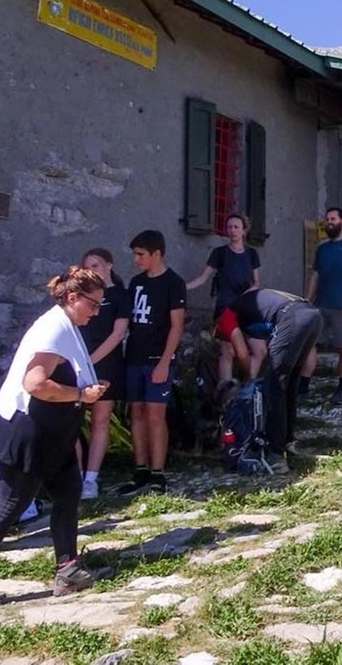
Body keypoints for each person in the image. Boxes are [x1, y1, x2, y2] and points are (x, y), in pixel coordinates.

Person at [0, 268, 109, 607]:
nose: (96, 312)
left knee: (68, 491)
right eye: (93, 305)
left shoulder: (66, 325)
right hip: (27, 430)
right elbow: (35, 384)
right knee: (10, 504)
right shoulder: (53, 330)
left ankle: (68, 568)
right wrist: (81, 394)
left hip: (51, 433)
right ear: (73, 298)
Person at [220, 286, 322, 473]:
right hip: (312, 315)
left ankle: (275, 454)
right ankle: (288, 442)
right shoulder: (254, 304)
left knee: (274, 386)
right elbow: (264, 349)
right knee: (289, 384)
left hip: (292, 318)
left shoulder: (226, 316)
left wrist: (248, 381)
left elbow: (242, 353)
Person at [120, 230, 186, 496]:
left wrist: (164, 361)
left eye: (141, 254)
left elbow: (176, 326)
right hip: (133, 356)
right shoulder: (135, 282)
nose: (137, 260)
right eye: (135, 254)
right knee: (136, 413)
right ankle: (141, 469)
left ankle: (158, 472)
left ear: (157, 253)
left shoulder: (173, 283)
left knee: (155, 415)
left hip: (157, 359)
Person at [76, 248, 130, 500]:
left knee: (100, 420)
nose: (91, 271)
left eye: (96, 266)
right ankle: (73, 477)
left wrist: (92, 360)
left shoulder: (119, 295)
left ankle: (91, 478)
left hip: (105, 362)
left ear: (109, 265)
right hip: (79, 361)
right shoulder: (81, 295)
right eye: (87, 267)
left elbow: (118, 334)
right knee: (71, 422)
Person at [185, 214, 261, 387]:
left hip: (246, 307)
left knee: (259, 349)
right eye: (229, 227)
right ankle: (225, 392)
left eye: (236, 227)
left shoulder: (252, 254)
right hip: (225, 307)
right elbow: (203, 278)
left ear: (244, 230)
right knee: (228, 351)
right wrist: (183, 287)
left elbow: (256, 282)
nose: (232, 231)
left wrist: (251, 291)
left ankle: (251, 385)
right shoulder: (219, 253)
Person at [303, 207, 342, 405]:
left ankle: (341, 388)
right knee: (309, 344)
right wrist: (306, 301)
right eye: (327, 219)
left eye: (333, 219)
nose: (329, 222)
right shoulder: (322, 249)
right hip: (320, 305)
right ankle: (303, 386)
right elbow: (315, 276)